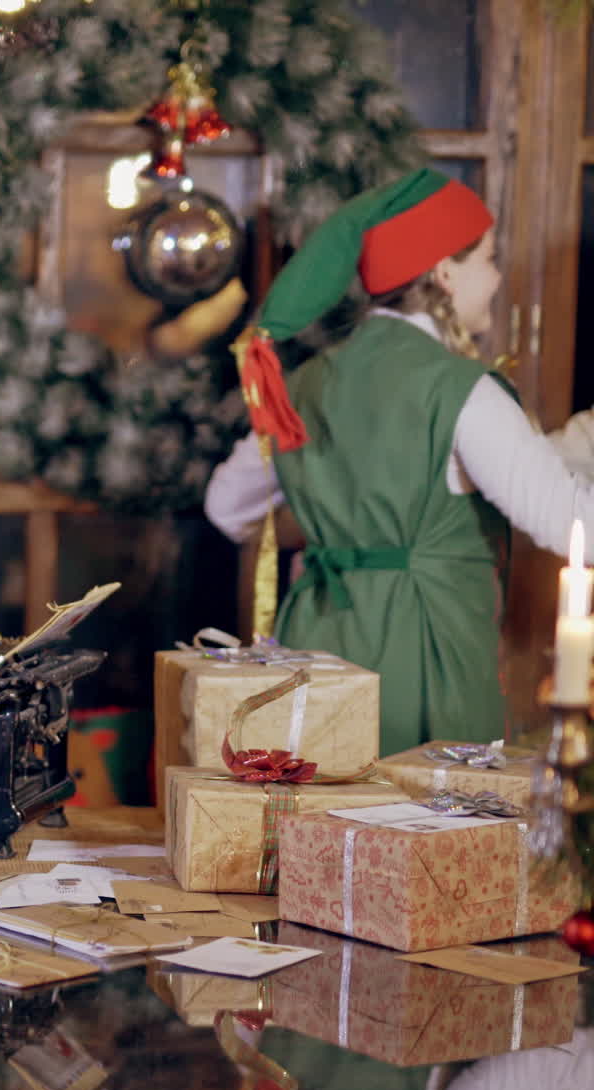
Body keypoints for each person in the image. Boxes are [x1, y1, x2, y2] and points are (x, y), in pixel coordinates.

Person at [204, 168, 594, 755]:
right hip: (427, 649)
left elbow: (226, 507)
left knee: (324, 828)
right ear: (441, 274)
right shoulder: (458, 387)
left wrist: (343, 526)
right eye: (487, 260)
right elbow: (564, 517)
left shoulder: (306, 383)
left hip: (318, 648)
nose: (496, 279)